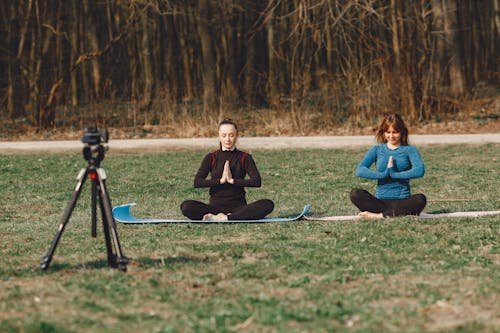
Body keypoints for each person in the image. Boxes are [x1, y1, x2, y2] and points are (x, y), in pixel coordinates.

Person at [180, 119, 274, 221]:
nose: (228, 139)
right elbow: (197, 182)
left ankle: (226, 218)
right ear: (219, 136)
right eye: (224, 135)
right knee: (186, 206)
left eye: (231, 135)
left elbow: (257, 181)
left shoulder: (244, 157)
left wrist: (232, 181)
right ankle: (223, 217)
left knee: (268, 204)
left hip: (239, 208)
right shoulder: (211, 157)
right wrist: (220, 181)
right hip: (214, 208)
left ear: (237, 135)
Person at [350, 113, 426, 218]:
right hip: (379, 202)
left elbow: (419, 170)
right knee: (355, 193)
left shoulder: (409, 150)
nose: (391, 136)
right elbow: (360, 170)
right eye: (388, 132)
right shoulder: (377, 150)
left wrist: (394, 174)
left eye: (395, 132)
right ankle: (393, 213)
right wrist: (384, 174)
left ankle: (378, 216)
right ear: (383, 132)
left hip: (402, 201)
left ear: (402, 132)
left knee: (420, 199)